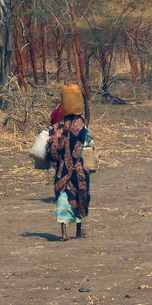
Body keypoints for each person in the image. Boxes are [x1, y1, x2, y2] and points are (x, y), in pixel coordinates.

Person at [48, 92, 91, 240]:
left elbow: (52, 151)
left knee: (62, 200)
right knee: (80, 199)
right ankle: (78, 231)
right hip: (78, 170)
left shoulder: (57, 127)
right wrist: (85, 100)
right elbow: (87, 120)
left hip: (62, 170)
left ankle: (64, 233)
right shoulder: (80, 125)